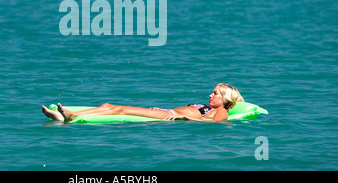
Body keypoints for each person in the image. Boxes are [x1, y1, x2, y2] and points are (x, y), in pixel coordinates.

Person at [42, 83, 244, 123]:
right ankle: (62, 115)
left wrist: (184, 117)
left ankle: (72, 116)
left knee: (118, 109)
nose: (210, 94)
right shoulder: (211, 106)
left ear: (225, 100)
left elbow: (216, 123)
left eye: (215, 93)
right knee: (109, 106)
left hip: (167, 115)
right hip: (163, 111)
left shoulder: (222, 111)